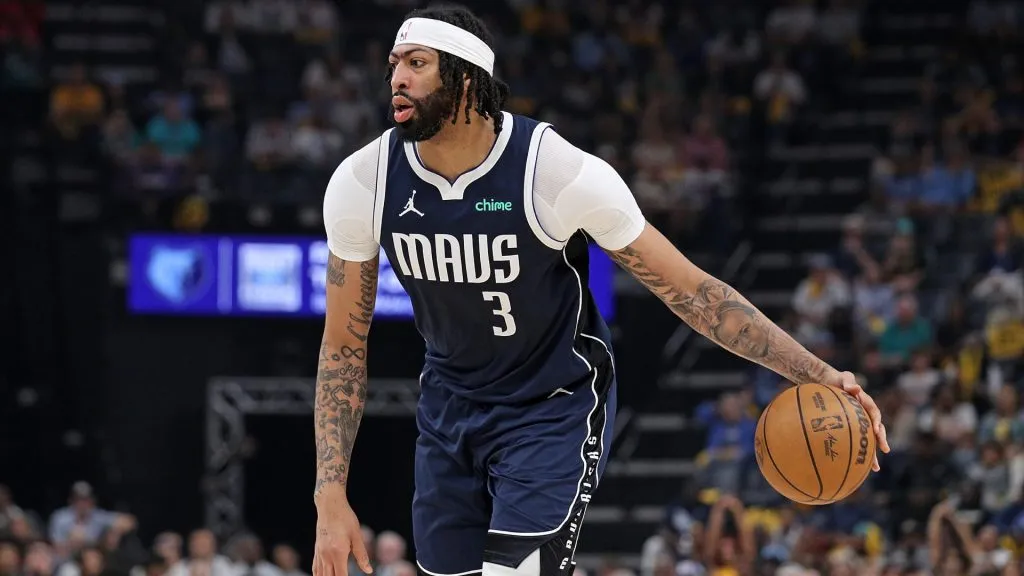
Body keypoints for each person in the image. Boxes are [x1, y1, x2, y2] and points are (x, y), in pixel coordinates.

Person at [313, 6, 890, 576]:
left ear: (466, 79)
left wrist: (817, 373)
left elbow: (693, 292)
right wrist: (329, 497)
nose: (397, 79)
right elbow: (343, 344)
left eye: (417, 63)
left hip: (553, 406)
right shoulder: (364, 182)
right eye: (394, 64)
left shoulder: (555, 174)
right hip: (450, 407)